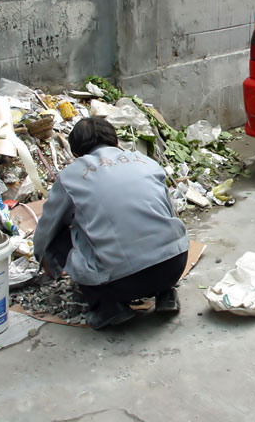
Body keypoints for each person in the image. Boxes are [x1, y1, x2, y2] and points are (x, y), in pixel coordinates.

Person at [33, 116, 189, 330]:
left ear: (76, 155)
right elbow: (168, 210)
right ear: (116, 143)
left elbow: (47, 227)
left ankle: (109, 307)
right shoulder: (146, 162)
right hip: (174, 264)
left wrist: (42, 258)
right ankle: (166, 293)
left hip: (120, 283)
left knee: (58, 237)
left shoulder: (70, 176)